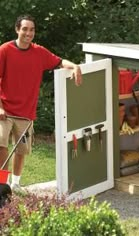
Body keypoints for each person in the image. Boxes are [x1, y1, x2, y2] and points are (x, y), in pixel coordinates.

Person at [0, 15, 82, 192]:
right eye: (25, 29)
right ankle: (1, 184)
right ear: (17, 30)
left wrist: (75, 66)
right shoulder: (5, 50)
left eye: (31, 30)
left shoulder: (39, 52)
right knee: (1, 145)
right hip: (4, 111)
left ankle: (15, 183)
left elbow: (60, 62)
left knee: (21, 150)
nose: (28, 33)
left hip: (25, 112)